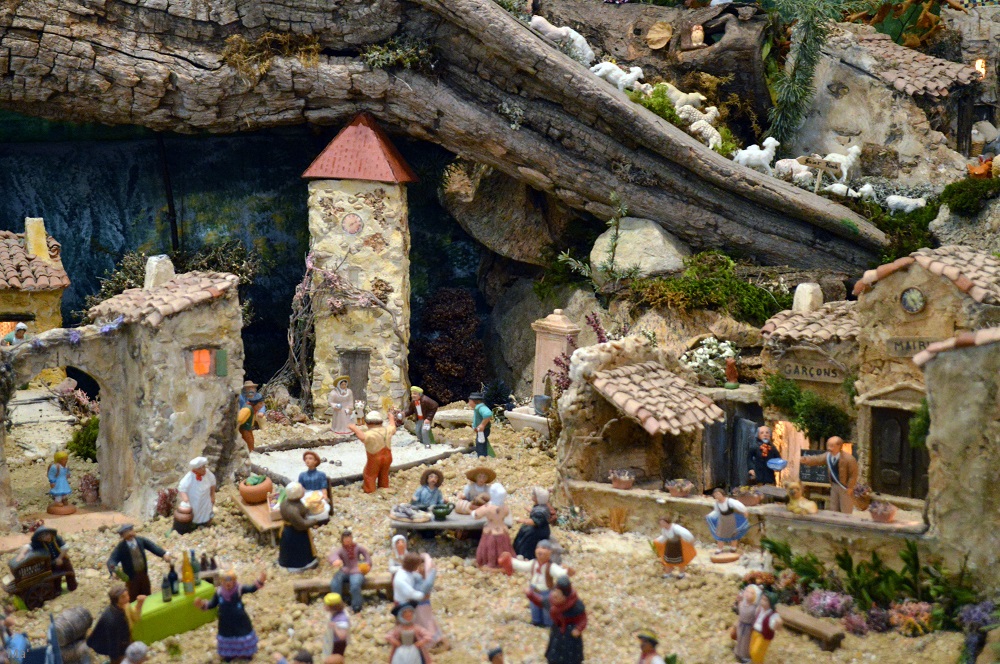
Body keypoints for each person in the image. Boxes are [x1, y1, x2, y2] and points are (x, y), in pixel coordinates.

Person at [195, 569, 267, 661]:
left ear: (234, 581)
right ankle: (229, 653)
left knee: (242, 634)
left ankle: (245, 653)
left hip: (239, 620)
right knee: (227, 636)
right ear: (222, 582)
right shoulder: (219, 592)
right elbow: (212, 604)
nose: (228, 583)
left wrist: (260, 580)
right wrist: (202, 604)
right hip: (225, 622)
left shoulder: (239, 589)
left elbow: (251, 588)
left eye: (230, 581)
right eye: (225, 581)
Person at [508, 539, 571, 627]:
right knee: (534, 606)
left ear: (550, 552)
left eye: (544, 548)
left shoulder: (551, 566)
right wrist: (510, 560)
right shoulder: (533, 563)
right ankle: (536, 621)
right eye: (538, 548)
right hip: (534, 590)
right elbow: (522, 565)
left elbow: (559, 573)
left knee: (547, 608)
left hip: (546, 592)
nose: (540, 550)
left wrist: (567, 572)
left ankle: (548, 623)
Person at [528, 576, 586, 664]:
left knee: (571, 658)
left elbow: (583, 619)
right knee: (554, 655)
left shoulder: (576, 606)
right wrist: (531, 595)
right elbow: (541, 602)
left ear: (565, 596)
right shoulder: (552, 602)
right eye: (554, 591)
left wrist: (578, 629)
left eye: (558, 593)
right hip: (557, 633)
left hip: (570, 636)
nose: (554, 595)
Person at [392, 552, 444, 649]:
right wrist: (421, 595)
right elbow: (411, 592)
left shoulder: (411, 574)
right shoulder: (401, 578)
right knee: (409, 623)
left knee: (421, 620)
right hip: (405, 603)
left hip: (414, 601)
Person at [106, 524, 172, 599]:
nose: (130, 533)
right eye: (126, 532)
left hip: (143, 574)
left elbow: (153, 547)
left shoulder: (140, 540)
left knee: (147, 593)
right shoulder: (121, 547)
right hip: (131, 578)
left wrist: (163, 554)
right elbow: (111, 560)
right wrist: (114, 570)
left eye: (131, 530)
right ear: (122, 535)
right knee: (133, 596)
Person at [799, 436, 858, 514]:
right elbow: (817, 459)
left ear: (839, 446)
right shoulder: (828, 456)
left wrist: (850, 487)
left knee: (846, 509)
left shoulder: (849, 459)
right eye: (828, 445)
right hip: (834, 486)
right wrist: (806, 460)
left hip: (845, 487)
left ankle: (846, 521)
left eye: (832, 446)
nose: (829, 448)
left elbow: (853, 475)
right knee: (833, 508)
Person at [87, 584, 145, 664]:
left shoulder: (126, 606)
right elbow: (113, 644)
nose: (128, 598)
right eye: (123, 597)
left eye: (127, 595)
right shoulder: (112, 619)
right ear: (116, 600)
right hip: (118, 647)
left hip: (126, 639)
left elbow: (135, 618)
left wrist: (140, 604)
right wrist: (116, 657)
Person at [278, 482, 327, 572]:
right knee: (299, 549)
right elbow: (301, 525)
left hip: (289, 530)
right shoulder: (293, 510)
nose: (304, 490)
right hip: (295, 533)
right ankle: (298, 565)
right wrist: (314, 521)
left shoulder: (286, 503)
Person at [348, 411, 397, 494]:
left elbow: (363, 437)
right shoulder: (387, 430)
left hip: (375, 458)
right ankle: (384, 487)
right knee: (384, 474)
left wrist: (354, 428)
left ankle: (370, 491)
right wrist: (391, 418)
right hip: (388, 457)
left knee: (369, 475)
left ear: (367, 423)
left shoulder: (370, 433)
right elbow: (393, 427)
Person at [328, 530, 372, 613]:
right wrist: (335, 560)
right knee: (335, 582)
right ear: (342, 539)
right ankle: (337, 604)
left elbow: (366, 555)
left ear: (352, 538)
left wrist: (368, 564)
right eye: (345, 538)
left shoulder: (358, 547)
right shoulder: (341, 549)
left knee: (355, 585)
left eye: (349, 537)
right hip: (345, 570)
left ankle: (356, 606)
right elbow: (333, 555)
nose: (348, 540)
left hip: (356, 571)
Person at [473, 483, 515, 569]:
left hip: (490, 530)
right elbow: (507, 514)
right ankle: (504, 562)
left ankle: (489, 563)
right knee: (504, 547)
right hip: (502, 530)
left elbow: (476, 515)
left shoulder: (488, 507)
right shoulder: (504, 507)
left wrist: (471, 510)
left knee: (489, 548)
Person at [29, 526, 77, 594]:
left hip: (63, 558)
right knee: (55, 576)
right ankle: (57, 590)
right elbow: (29, 547)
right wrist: (23, 552)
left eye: (47, 534)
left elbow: (65, 548)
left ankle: (73, 587)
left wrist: (60, 558)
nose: (46, 537)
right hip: (52, 562)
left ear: (50, 533)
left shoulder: (57, 538)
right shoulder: (40, 544)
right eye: (43, 536)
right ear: (40, 539)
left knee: (70, 572)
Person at [705, 488, 751, 555]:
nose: (717, 496)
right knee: (720, 534)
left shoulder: (729, 501)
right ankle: (720, 549)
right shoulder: (717, 503)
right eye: (715, 495)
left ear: (722, 494)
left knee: (733, 534)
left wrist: (744, 511)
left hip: (730, 519)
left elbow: (739, 506)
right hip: (722, 520)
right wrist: (709, 516)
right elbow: (716, 511)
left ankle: (733, 548)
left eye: (718, 494)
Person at [177, 456, 217, 529]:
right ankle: (194, 524)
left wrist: (212, 495)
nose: (203, 469)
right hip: (194, 500)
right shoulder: (190, 476)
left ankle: (205, 523)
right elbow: (182, 488)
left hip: (205, 499)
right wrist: (186, 500)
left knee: (206, 511)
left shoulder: (208, 473)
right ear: (196, 469)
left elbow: (213, 483)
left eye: (204, 467)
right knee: (195, 512)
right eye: (200, 468)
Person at [513, 486, 552, 559]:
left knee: (526, 537)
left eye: (534, 495)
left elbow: (534, 521)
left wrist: (522, 520)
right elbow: (535, 513)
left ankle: (525, 555)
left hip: (538, 530)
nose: (532, 496)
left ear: (539, 498)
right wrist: (530, 510)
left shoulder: (540, 511)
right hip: (537, 527)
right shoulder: (541, 507)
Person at [749, 592, 782, 663]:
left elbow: (775, 626)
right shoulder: (760, 609)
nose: (762, 601)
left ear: (771, 603)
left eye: (765, 600)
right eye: (762, 599)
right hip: (755, 632)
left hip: (763, 636)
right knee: (751, 649)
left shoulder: (773, 615)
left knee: (756, 652)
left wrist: (777, 624)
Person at [733, 584, 761, 663]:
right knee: (739, 639)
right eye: (747, 591)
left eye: (751, 593)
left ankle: (745, 656)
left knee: (746, 642)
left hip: (749, 627)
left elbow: (757, 618)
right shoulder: (742, 604)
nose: (748, 594)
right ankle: (738, 652)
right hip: (741, 625)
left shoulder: (755, 608)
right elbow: (739, 611)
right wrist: (738, 600)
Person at [322, 592, 350, 658]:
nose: (324, 606)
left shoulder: (342, 619)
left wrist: (335, 627)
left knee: (335, 658)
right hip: (333, 641)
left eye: (326, 605)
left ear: (332, 607)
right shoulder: (335, 613)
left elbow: (342, 636)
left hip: (338, 644)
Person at [469, 392, 494, 458]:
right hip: (480, 430)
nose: (469, 403)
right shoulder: (477, 408)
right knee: (481, 441)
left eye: (470, 401)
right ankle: (485, 453)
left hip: (483, 430)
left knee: (480, 442)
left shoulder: (481, 408)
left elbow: (488, 414)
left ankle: (481, 456)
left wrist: (482, 425)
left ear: (474, 401)